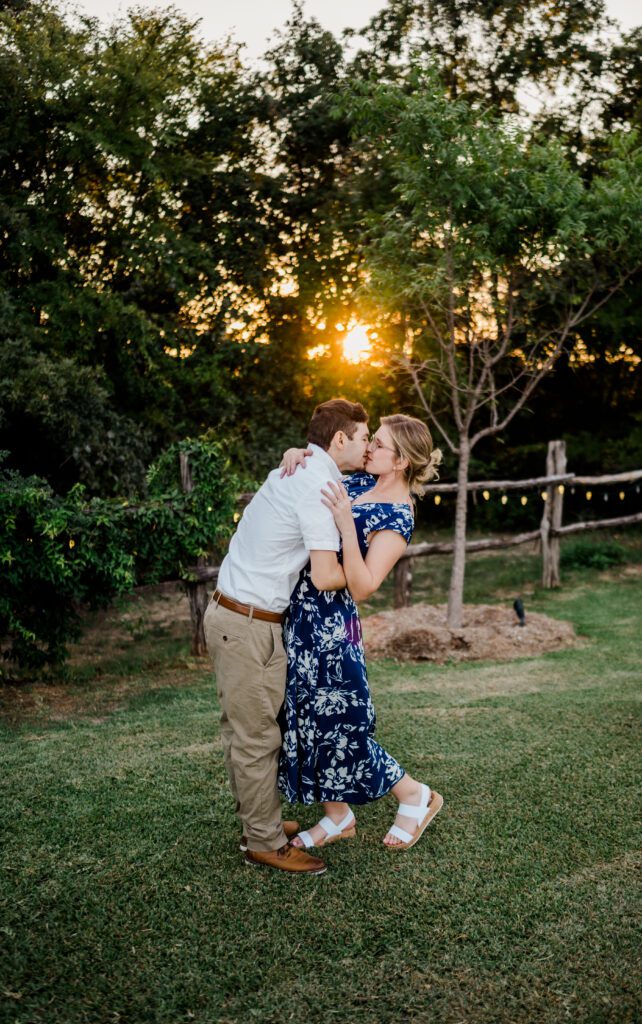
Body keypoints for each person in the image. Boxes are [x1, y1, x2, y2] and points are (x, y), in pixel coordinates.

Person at [203, 399, 369, 875]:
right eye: (362, 436)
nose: (366, 443)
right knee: (257, 736)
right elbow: (323, 575)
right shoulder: (317, 484)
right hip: (247, 624)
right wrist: (361, 574)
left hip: (246, 618)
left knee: (250, 730)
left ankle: (260, 820)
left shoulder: (300, 468)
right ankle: (265, 841)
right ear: (339, 440)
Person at [278, 415, 444, 850]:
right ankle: (338, 817)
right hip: (300, 612)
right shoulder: (354, 483)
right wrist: (299, 454)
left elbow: (366, 585)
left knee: (341, 723)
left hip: (333, 626)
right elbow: (316, 477)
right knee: (308, 718)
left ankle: (414, 795)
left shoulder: (398, 515)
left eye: (380, 446)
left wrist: (348, 525)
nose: (368, 449)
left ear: (401, 461)